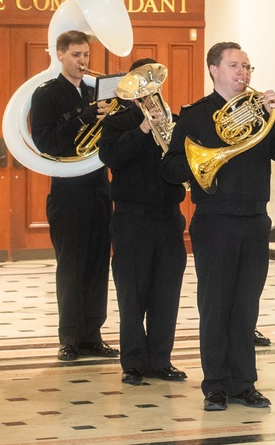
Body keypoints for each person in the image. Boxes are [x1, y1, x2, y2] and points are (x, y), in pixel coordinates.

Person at [161, 42, 275, 411]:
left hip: (254, 217)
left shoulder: (260, 112)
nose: (244, 73)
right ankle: (216, 384)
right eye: (235, 65)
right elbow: (170, 168)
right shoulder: (195, 115)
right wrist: (205, 163)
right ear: (213, 70)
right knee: (216, 304)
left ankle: (244, 383)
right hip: (215, 218)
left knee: (246, 305)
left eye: (248, 66)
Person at [29, 30, 118, 362]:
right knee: (71, 266)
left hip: (98, 187)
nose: (83, 61)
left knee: (97, 264)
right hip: (67, 192)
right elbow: (46, 142)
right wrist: (83, 118)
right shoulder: (47, 94)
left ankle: (92, 335)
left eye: (86, 55)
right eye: (77, 55)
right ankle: (69, 338)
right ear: (60, 55)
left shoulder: (98, 92)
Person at [98, 57, 187, 386]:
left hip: (168, 218)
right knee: (132, 294)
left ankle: (161, 360)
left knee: (167, 292)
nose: (150, 91)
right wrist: (142, 129)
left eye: (154, 83)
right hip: (131, 219)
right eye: (143, 83)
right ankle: (133, 362)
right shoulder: (117, 121)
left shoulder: (173, 120)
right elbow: (111, 157)